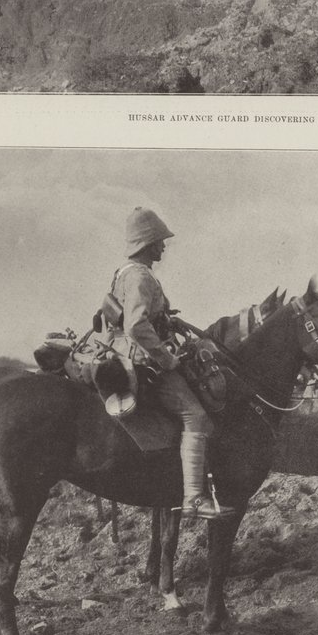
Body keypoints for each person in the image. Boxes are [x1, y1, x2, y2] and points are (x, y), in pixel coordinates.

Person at [102, 207, 234, 521]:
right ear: (146, 244)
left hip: (121, 352)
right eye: (159, 241)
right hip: (143, 361)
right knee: (197, 417)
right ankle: (193, 498)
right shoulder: (141, 276)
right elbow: (136, 325)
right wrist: (167, 358)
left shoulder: (123, 272)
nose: (163, 247)